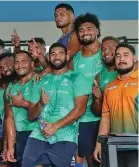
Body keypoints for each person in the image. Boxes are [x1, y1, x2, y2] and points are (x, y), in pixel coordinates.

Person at [22, 43, 91, 167]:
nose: (57, 57)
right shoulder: (40, 80)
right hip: (38, 135)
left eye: (60, 53)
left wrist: (55, 126)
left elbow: (80, 109)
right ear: (48, 58)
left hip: (65, 137)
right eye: (53, 54)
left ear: (67, 56)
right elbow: (31, 115)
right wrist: (40, 103)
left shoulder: (78, 78)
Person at [94, 43, 138, 167]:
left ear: (134, 58)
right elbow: (105, 119)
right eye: (118, 56)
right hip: (115, 147)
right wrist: (99, 143)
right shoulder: (109, 87)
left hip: (136, 146)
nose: (121, 59)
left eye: (126, 55)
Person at [69, 13, 103, 167]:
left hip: (109, 116)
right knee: (91, 159)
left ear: (97, 31)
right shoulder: (74, 61)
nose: (85, 32)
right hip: (85, 119)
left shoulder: (108, 54)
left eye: (89, 28)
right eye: (81, 30)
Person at [3, 51, 38, 166]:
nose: (20, 65)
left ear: (32, 64)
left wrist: (23, 103)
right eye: (17, 62)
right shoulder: (11, 89)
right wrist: (10, 147)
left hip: (39, 133)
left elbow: (48, 109)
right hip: (21, 136)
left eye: (24, 61)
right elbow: (9, 119)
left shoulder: (42, 81)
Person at [92, 36, 119, 115]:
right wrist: (97, 99)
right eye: (103, 49)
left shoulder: (131, 70)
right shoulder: (98, 77)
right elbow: (98, 112)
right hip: (108, 123)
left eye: (110, 48)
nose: (106, 51)